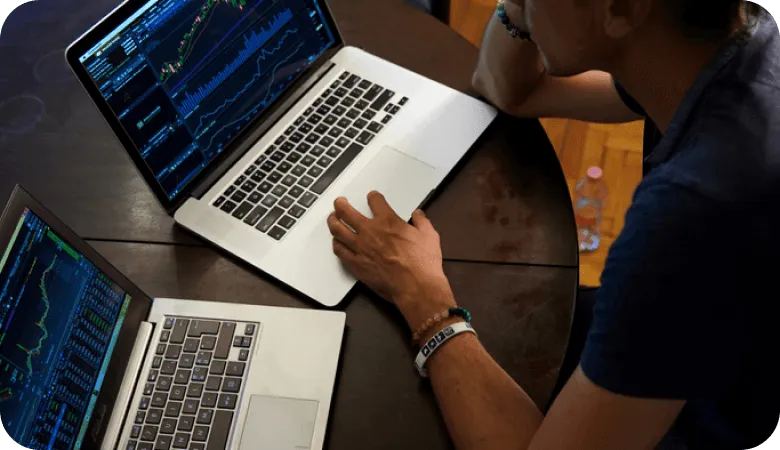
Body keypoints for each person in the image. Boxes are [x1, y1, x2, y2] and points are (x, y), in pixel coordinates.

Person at [326, 0, 780, 448]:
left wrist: (422, 296)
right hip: (694, 350)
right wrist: (524, 13)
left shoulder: (692, 214)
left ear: (622, 11)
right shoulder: (727, 46)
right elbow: (508, 90)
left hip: (691, 420)